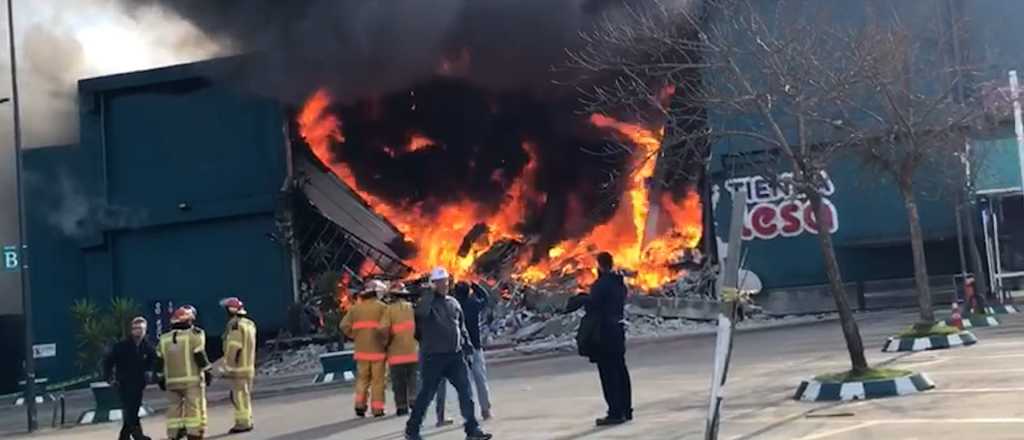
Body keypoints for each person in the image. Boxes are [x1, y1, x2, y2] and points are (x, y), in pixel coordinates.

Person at [405, 267, 492, 440]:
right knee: (426, 395)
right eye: (439, 282)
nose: (443, 285)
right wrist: (429, 293)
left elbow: (461, 327)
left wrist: (467, 346)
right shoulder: (426, 303)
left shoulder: (453, 303)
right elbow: (421, 314)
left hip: (455, 356)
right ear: (433, 284)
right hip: (433, 357)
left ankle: (472, 430)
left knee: (466, 393)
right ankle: (412, 430)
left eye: (445, 281)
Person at [585, 252, 633, 426]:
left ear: (599, 265)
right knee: (620, 370)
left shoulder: (601, 285)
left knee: (608, 373)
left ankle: (615, 412)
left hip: (605, 333)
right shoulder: (619, 284)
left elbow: (593, 306)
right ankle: (626, 410)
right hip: (618, 330)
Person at [436, 282, 493, 422]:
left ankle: (468, 414)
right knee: (480, 379)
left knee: (465, 383)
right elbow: (486, 299)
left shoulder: (452, 306)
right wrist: (476, 286)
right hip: (475, 347)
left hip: (459, 348)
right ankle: (485, 410)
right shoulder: (473, 304)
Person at [156, 307, 213, 440]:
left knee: (173, 408)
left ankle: (173, 434)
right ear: (189, 320)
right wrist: (207, 371)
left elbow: (159, 361)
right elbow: (199, 356)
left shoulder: (164, 338)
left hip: (171, 381)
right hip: (191, 381)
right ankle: (193, 433)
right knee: (193, 407)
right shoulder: (195, 335)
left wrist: (160, 377)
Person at [341, 279, 389, 417]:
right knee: (378, 382)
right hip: (378, 352)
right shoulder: (383, 308)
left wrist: (355, 336)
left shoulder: (355, 309)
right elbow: (386, 328)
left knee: (362, 380)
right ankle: (377, 409)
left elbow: (343, 325)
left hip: (361, 352)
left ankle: (360, 406)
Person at [104, 317, 157, 440]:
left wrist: (149, 371)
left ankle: (124, 436)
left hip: (139, 383)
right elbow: (108, 361)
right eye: (135, 328)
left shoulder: (147, 346)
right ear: (131, 330)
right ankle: (138, 435)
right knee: (130, 409)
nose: (138, 331)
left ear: (145, 330)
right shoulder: (121, 346)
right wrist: (109, 378)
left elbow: (153, 359)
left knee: (133, 409)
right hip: (123, 382)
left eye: (140, 328)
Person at [219, 297, 257, 434]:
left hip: (238, 369)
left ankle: (242, 423)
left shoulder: (235, 325)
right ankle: (247, 420)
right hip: (248, 366)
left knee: (239, 398)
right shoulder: (249, 324)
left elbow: (234, 348)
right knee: (245, 396)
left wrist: (227, 368)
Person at [382, 282, 419, 416]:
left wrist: (385, 345)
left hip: (396, 354)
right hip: (413, 352)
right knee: (413, 378)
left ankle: (402, 406)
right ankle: (414, 400)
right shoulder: (412, 308)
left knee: (398, 382)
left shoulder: (389, 310)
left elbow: (384, 330)